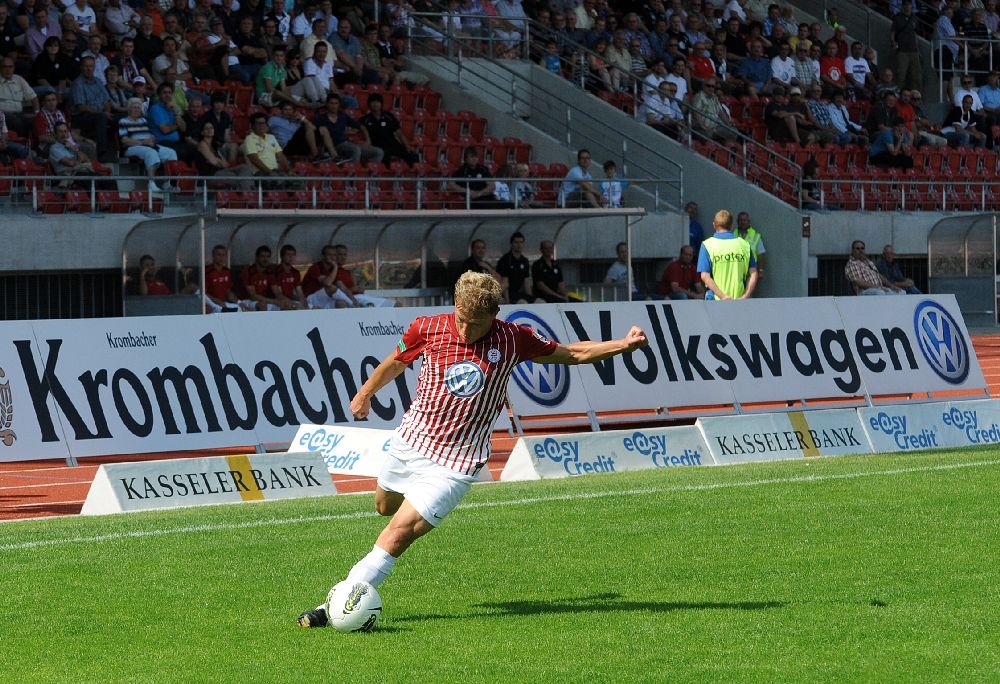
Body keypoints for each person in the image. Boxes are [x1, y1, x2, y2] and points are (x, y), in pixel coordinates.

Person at [296, 270, 650, 628]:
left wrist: (624, 344)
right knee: (384, 508)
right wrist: (365, 393)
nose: (466, 331)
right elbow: (396, 362)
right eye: (462, 320)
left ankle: (334, 608)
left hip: (457, 462)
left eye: (477, 324)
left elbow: (571, 353)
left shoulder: (513, 338)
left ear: (494, 316)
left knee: (397, 535)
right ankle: (381, 545)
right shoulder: (427, 327)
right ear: (455, 306)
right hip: (411, 441)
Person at [119, 96, 177, 193]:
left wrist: (151, 138)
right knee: (151, 152)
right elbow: (124, 140)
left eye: (139, 107)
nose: (137, 109)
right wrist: (142, 142)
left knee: (171, 153)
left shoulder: (143, 121)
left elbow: (149, 134)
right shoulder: (123, 121)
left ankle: (167, 182)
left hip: (147, 145)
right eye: (134, 107)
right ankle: (151, 183)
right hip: (132, 147)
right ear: (129, 109)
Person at [698, 209, 758, 300]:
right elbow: (753, 273)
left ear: (714, 224)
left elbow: (704, 276)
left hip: (715, 301)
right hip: (739, 300)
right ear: (731, 225)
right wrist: (745, 295)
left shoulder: (707, 245)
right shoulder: (744, 245)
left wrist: (723, 297)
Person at [313, 93, 383, 165]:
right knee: (355, 149)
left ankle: (369, 172)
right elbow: (315, 133)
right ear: (327, 104)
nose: (334, 106)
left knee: (378, 152)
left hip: (347, 144)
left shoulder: (343, 116)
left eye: (336, 103)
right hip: (333, 146)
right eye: (331, 103)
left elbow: (361, 126)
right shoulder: (321, 118)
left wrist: (367, 140)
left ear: (339, 105)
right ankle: (352, 172)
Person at [358, 92, 419, 166]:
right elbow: (356, 131)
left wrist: (408, 147)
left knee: (413, 155)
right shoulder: (364, 120)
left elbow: (399, 134)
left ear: (381, 104)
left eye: (378, 102)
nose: (375, 104)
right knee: (386, 159)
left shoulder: (389, 116)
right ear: (369, 104)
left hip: (393, 144)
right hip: (379, 147)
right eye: (373, 101)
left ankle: (416, 175)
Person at [267, 100, 335, 163]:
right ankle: (315, 155)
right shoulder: (274, 119)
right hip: (287, 147)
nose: (288, 112)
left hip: (300, 146)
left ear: (293, 111)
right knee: (306, 127)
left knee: (323, 129)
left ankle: (335, 156)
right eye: (285, 109)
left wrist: (303, 119)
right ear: (281, 111)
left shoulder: (297, 123)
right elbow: (265, 130)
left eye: (290, 110)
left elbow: (314, 129)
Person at [445, 146, 510, 209]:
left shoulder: (483, 169)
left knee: (510, 205)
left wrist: (479, 193)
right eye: (472, 157)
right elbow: (450, 185)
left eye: (476, 157)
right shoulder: (461, 170)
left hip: (487, 197)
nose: (474, 159)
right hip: (473, 201)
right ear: (466, 158)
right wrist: (468, 191)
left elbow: (492, 186)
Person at [243, 111, 295, 183]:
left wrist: (288, 170)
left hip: (275, 171)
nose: (262, 126)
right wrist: (269, 172)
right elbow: (254, 159)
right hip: (260, 173)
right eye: (258, 123)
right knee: (279, 182)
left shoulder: (271, 137)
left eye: (264, 123)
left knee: (296, 181)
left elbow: (281, 156)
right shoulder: (249, 139)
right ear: (253, 126)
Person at [302, 244, 350, 310]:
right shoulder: (315, 267)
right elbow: (327, 283)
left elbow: (343, 287)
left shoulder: (333, 269)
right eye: (329, 255)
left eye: (334, 255)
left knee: (341, 303)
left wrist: (355, 300)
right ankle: (352, 304)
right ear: (323, 256)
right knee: (330, 287)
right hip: (311, 299)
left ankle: (352, 306)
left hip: (324, 299)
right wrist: (336, 266)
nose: (332, 257)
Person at [496, 231, 537, 304]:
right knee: (523, 303)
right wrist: (507, 302)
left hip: (519, 293)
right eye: (516, 242)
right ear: (511, 244)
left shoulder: (525, 261)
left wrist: (531, 297)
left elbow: (526, 282)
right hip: (509, 295)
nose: (519, 245)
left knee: (540, 302)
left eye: (521, 242)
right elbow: (505, 283)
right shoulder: (505, 260)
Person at [238, 245, 281, 311]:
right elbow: (253, 296)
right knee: (262, 305)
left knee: (289, 305)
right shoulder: (248, 271)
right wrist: (274, 301)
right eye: (262, 256)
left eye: (267, 257)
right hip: (248, 301)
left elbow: (277, 292)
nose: (265, 259)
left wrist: (286, 301)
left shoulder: (270, 272)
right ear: (257, 257)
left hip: (265, 300)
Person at [204, 244, 243, 313]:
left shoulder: (226, 271)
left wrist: (239, 302)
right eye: (219, 255)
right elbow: (203, 293)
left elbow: (228, 291)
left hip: (223, 303)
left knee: (241, 309)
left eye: (223, 255)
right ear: (213, 256)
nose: (221, 257)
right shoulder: (207, 271)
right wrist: (217, 301)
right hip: (211, 304)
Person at [271, 244, 308, 310]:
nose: (291, 257)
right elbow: (279, 294)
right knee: (297, 307)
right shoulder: (277, 271)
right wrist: (293, 303)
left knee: (314, 308)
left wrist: (306, 306)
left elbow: (300, 293)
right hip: (279, 302)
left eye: (293, 255)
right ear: (282, 256)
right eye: (288, 254)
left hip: (291, 300)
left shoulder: (295, 272)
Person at [734, 211, 766, 277]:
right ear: (737, 222)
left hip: (751, 272)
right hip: (736, 272)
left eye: (745, 220)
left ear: (749, 221)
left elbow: (761, 254)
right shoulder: (733, 235)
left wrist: (760, 270)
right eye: (741, 220)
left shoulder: (756, 236)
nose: (743, 222)